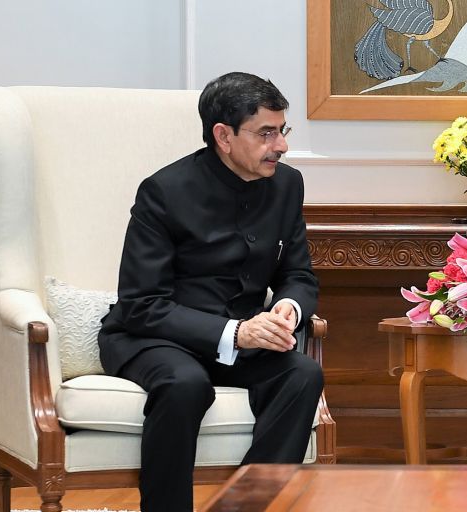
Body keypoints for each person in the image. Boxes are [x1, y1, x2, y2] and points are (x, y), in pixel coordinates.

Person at [98, 72, 324, 512]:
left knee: (302, 374)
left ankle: (243, 507)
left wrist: (287, 310)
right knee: (185, 383)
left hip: (243, 340)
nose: (281, 145)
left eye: (282, 131)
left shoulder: (287, 184)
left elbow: (299, 274)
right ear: (223, 136)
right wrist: (236, 333)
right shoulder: (163, 191)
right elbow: (141, 305)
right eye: (266, 133)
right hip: (156, 337)